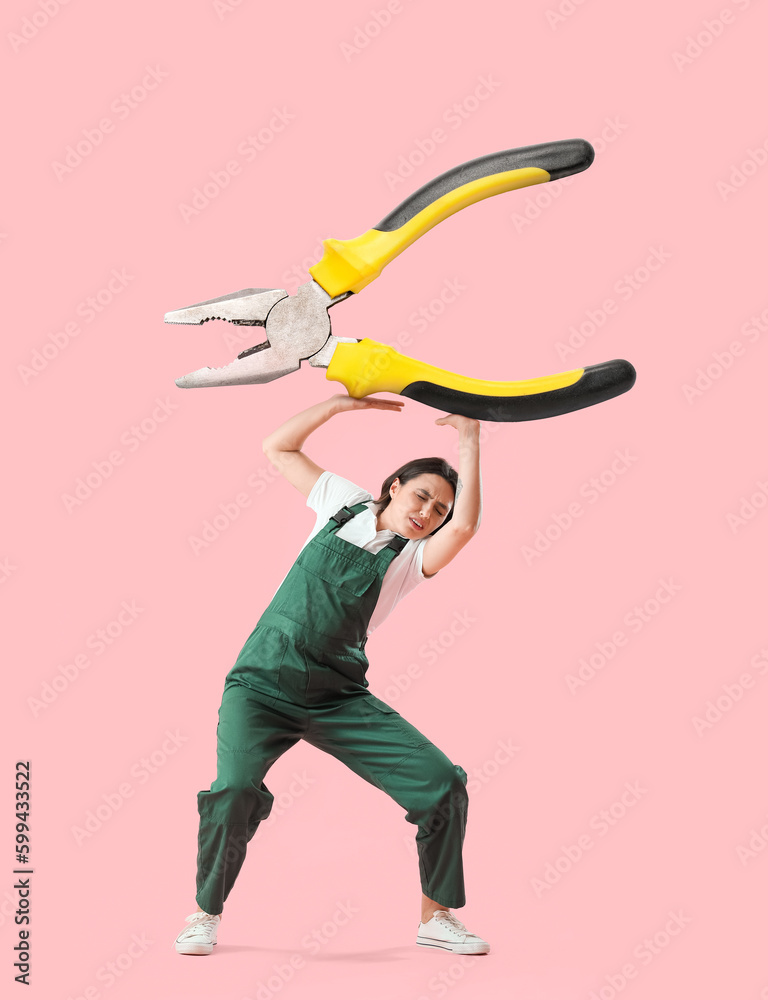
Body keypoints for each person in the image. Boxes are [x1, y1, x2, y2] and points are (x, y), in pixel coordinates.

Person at [174, 392, 489, 956]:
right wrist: (339, 407)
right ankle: (205, 913)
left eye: (438, 509)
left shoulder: (411, 559)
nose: (428, 513)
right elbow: (279, 446)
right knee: (235, 790)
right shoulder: (342, 503)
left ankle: (436, 917)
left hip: (336, 696)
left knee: (443, 784)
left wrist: (469, 440)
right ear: (394, 486)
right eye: (422, 496)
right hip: (259, 686)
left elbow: (465, 530)